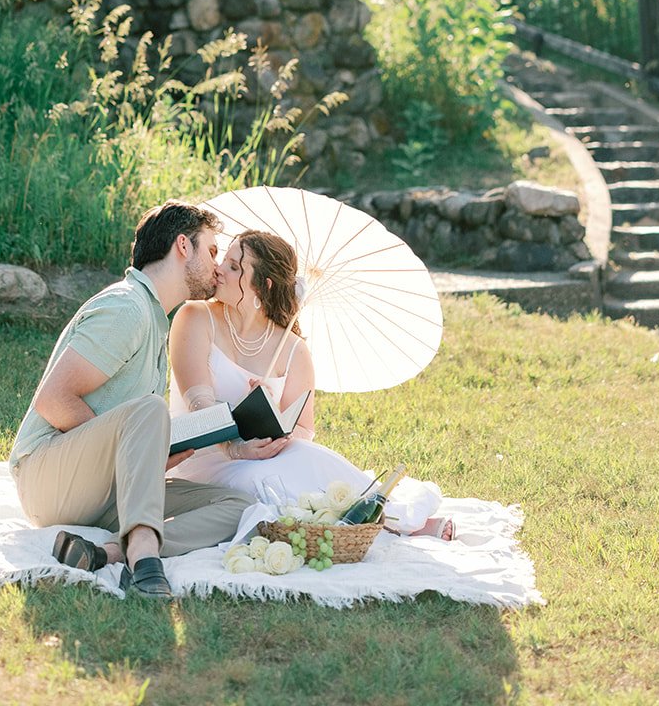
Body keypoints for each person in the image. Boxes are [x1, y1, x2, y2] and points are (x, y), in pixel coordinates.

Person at [9, 201, 253, 598]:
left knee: (238, 505)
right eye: (211, 251)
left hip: (102, 489)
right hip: (49, 479)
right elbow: (52, 400)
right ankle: (143, 558)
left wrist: (148, 453)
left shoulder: (157, 319)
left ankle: (108, 552)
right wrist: (133, 447)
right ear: (182, 246)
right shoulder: (127, 308)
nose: (217, 265)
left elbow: (122, 426)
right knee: (151, 409)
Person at [168, 228, 455, 538]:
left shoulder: (293, 349)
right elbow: (199, 405)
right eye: (224, 260)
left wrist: (272, 423)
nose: (219, 270)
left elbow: (304, 430)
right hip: (206, 460)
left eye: (234, 267)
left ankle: (390, 518)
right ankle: (372, 527)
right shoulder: (195, 317)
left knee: (311, 457)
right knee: (263, 482)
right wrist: (237, 448)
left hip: (265, 455)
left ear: (262, 287)